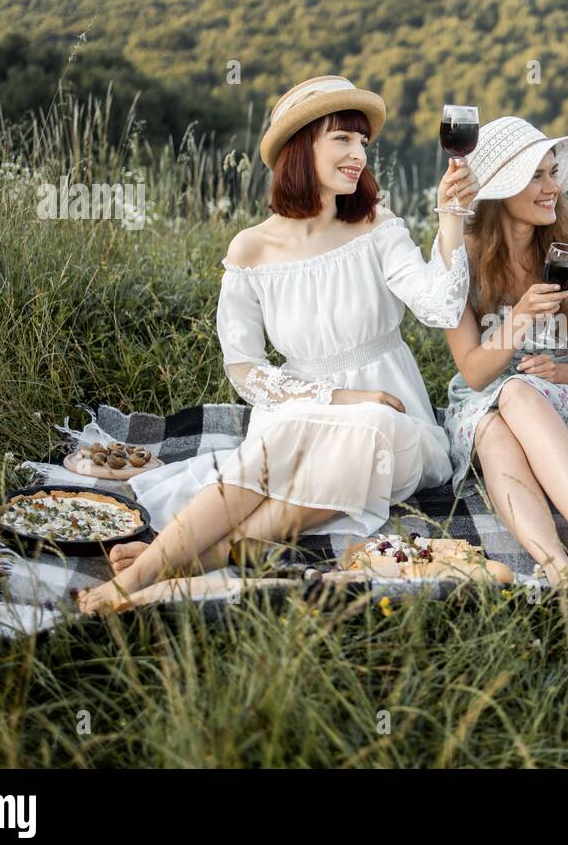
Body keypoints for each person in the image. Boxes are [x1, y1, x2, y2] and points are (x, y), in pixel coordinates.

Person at [77, 75, 477, 613]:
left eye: (362, 141)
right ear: (300, 147)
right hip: (297, 412)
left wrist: (451, 218)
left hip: (394, 419)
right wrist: (336, 400)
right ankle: (165, 570)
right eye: (342, 138)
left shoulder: (379, 228)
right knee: (296, 452)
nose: (359, 153)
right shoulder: (252, 248)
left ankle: (155, 566)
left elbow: (440, 307)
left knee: (369, 429)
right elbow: (244, 367)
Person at [441, 117, 568, 605]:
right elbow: (475, 372)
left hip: (564, 406)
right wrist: (520, 316)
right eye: (537, 176)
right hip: (481, 402)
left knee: (519, 390)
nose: (553, 188)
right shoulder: (458, 263)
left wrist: (559, 372)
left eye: (553, 173)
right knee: (493, 422)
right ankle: (557, 569)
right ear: (501, 189)